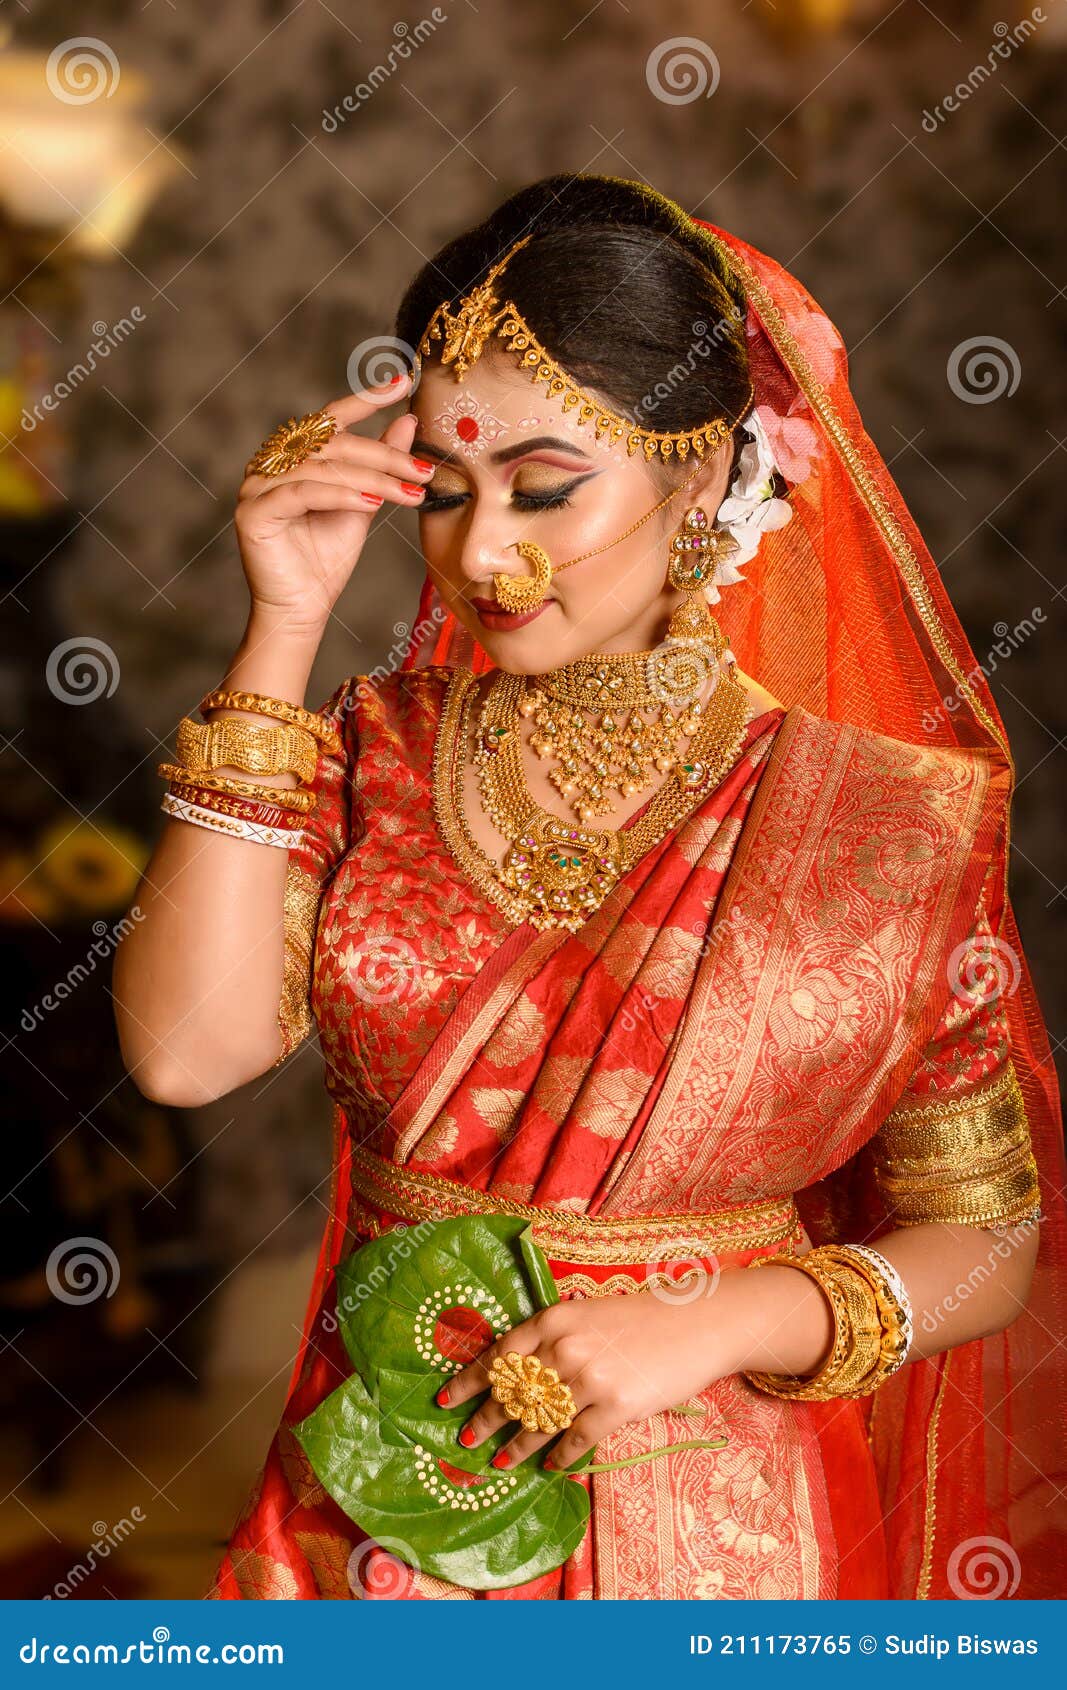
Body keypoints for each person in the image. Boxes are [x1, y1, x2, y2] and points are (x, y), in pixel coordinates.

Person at [113, 174, 1067, 1601]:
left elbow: (991, 1235)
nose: (484, 550)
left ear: (699, 478)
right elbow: (186, 1051)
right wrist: (283, 627)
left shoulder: (881, 821)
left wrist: (726, 1315)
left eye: (547, 486)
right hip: (376, 1505)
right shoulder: (369, 750)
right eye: (444, 486)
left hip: (730, 1531)